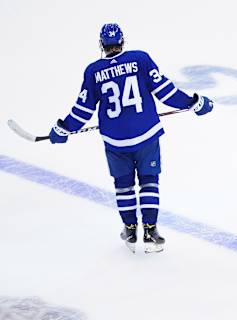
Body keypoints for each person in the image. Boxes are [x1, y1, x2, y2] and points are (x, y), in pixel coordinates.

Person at [49, 23, 213, 253]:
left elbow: (83, 110)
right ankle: (150, 230)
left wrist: (64, 128)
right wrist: (194, 102)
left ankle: (129, 228)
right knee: (149, 181)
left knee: (123, 186)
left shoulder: (93, 71)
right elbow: (165, 91)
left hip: (116, 142)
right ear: (123, 41)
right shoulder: (141, 59)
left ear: (101, 45)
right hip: (146, 135)